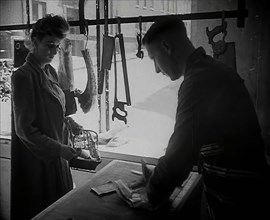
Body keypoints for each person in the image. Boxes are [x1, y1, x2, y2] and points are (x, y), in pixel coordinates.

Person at [138, 16, 270, 220]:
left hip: (240, 201)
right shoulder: (211, 70)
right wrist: (161, 175)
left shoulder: (198, 81)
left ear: (166, 46)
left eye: (153, 58)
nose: (156, 69)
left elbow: (181, 151)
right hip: (245, 191)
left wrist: (152, 192)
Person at [10, 14, 84, 220]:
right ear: (34, 43)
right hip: (37, 164)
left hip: (56, 157)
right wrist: (59, 149)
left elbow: (51, 110)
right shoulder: (23, 76)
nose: (54, 51)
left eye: (57, 46)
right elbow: (25, 129)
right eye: (49, 45)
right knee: (44, 212)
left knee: (60, 209)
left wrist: (68, 121)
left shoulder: (49, 72)